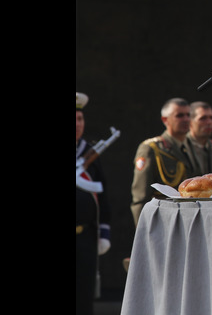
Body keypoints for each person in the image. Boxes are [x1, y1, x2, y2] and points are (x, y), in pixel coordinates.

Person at [131, 98, 196, 223]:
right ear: (165, 120)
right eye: (179, 115)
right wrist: (143, 230)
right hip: (163, 220)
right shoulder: (151, 149)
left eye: (188, 115)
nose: (186, 119)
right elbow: (140, 197)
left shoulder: (191, 148)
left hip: (188, 219)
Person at [76, 92, 112, 315]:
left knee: (83, 298)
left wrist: (104, 232)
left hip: (84, 238)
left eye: (79, 119)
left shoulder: (90, 153)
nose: (77, 124)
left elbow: (103, 193)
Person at [187, 101, 212, 174]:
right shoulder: (180, 148)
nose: (209, 122)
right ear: (190, 122)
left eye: (211, 118)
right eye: (203, 118)